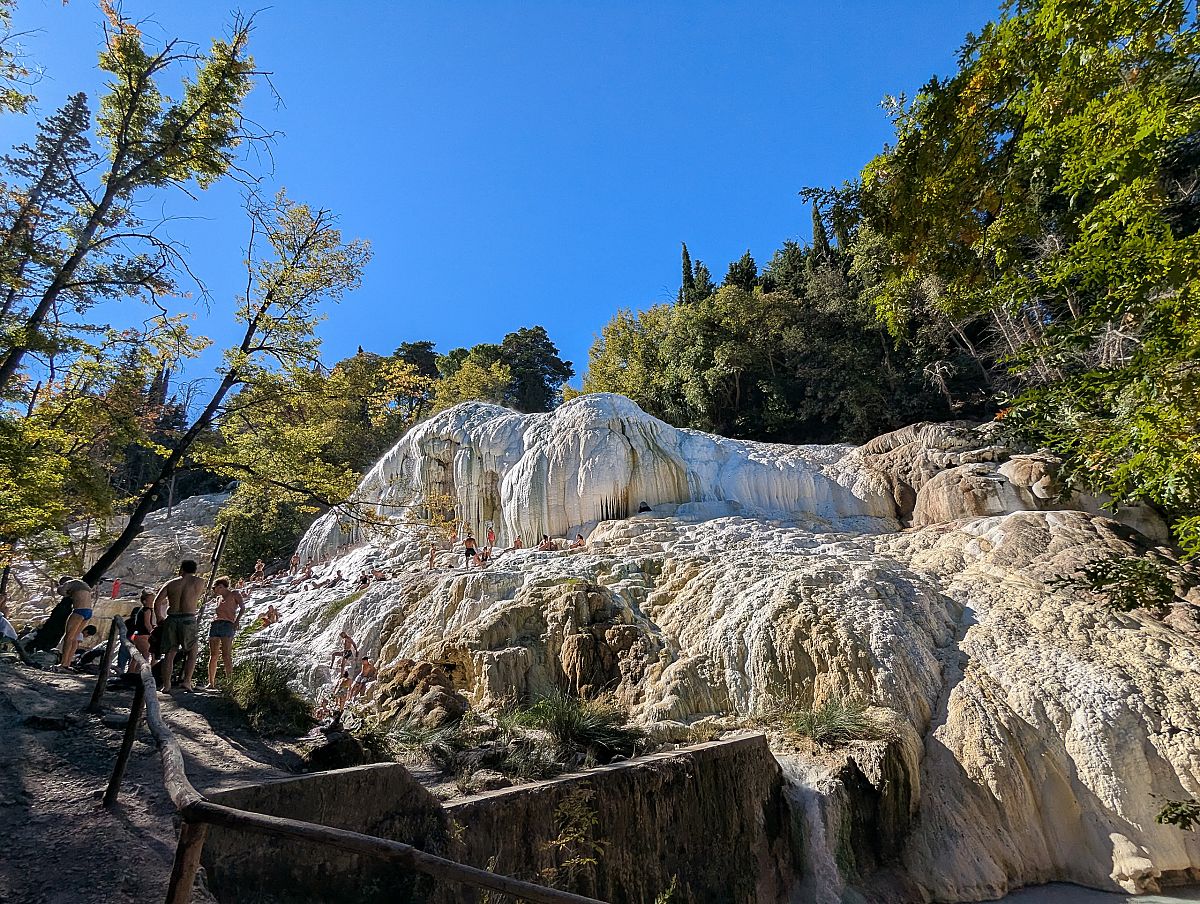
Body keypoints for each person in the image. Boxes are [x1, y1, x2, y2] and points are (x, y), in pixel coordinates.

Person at [155, 559, 206, 694]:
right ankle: (187, 681)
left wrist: (159, 617)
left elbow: (157, 601)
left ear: (181, 569)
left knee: (169, 653)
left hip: (172, 618)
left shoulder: (171, 583)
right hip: (188, 618)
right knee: (192, 652)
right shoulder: (199, 582)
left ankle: (166, 685)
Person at [206, 577, 245, 688]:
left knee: (226, 654)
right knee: (213, 655)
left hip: (227, 624)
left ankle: (229, 682)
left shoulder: (234, 594)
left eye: (215, 588)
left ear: (221, 586)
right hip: (216, 624)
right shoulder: (219, 598)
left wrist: (237, 621)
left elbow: (242, 607)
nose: (215, 590)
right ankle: (211, 683)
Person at [56, 575, 95, 671]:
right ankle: (68, 663)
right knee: (75, 638)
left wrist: (65, 591)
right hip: (88, 611)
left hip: (79, 610)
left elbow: (60, 591)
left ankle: (63, 663)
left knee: (68, 637)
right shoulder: (84, 584)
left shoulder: (70, 583)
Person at [121, 588, 157, 674]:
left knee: (136, 656)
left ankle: (131, 672)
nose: (153, 601)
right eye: (151, 599)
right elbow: (147, 624)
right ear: (145, 601)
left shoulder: (142, 610)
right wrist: (153, 633)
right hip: (143, 635)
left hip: (137, 635)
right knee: (145, 655)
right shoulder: (147, 610)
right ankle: (140, 673)